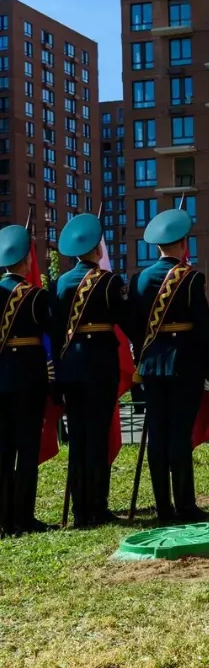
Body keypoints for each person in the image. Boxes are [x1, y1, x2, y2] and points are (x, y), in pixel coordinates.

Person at [128, 209, 209, 523]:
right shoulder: (191, 278)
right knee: (180, 435)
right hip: (184, 365)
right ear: (183, 244)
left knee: (158, 435)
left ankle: (162, 507)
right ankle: (185, 505)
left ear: (157, 247)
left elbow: (134, 326)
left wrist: (143, 352)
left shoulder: (139, 279)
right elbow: (204, 328)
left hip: (152, 367)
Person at [52, 213, 133, 528]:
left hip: (71, 367)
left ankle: (79, 509)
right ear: (98, 250)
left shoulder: (60, 283)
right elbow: (127, 321)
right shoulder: (109, 281)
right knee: (97, 438)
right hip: (100, 366)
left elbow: (57, 330)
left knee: (79, 440)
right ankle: (97, 508)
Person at [0, 225, 53, 536]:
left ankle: (4, 518)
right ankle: (23, 517)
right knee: (27, 452)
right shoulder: (35, 297)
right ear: (26, 261)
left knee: (3, 453)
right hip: (29, 383)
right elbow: (54, 332)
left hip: (1, 382)